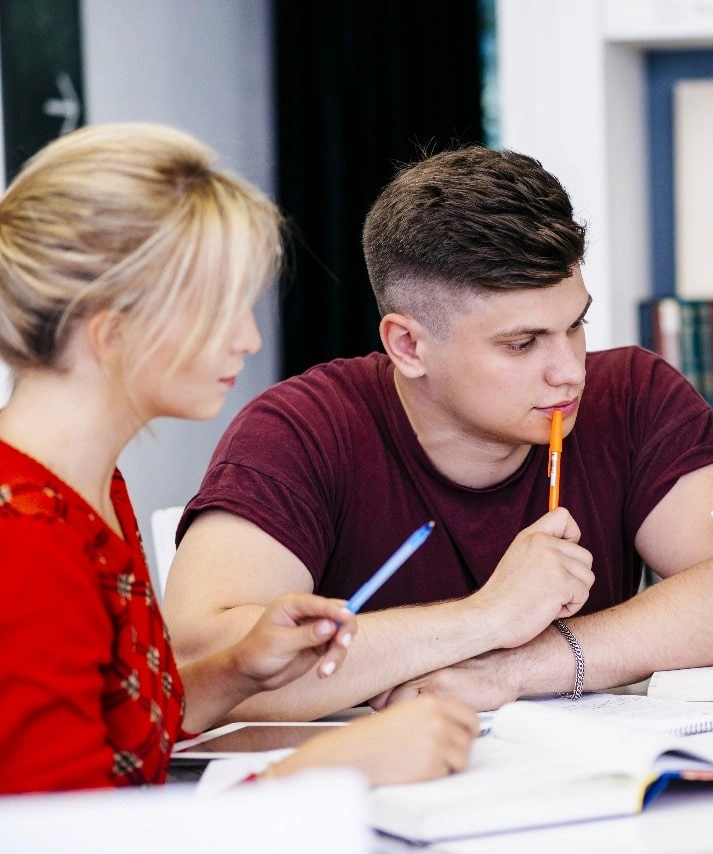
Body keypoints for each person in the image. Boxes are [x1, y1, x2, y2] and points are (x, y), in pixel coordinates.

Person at [162, 146, 713, 720]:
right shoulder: (302, 429)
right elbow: (203, 663)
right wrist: (485, 618)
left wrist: (516, 668)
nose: (570, 370)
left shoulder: (633, 393)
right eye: (521, 343)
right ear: (408, 344)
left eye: (576, 325)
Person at [0, 123, 476, 794]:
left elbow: (117, 729)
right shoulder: (26, 535)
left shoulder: (86, 484)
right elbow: (67, 835)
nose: (248, 339)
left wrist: (238, 668)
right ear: (112, 331)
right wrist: (324, 772)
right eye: (220, 310)